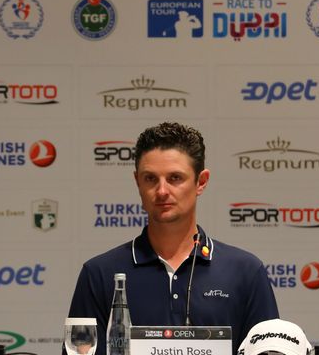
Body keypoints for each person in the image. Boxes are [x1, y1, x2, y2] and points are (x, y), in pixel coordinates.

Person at [66, 122, 278, 355]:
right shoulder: (99, 274)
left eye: (175, 177)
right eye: (150, 178)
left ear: (201, 182)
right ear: (137, 182)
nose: (162, 191)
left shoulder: (246, 272)